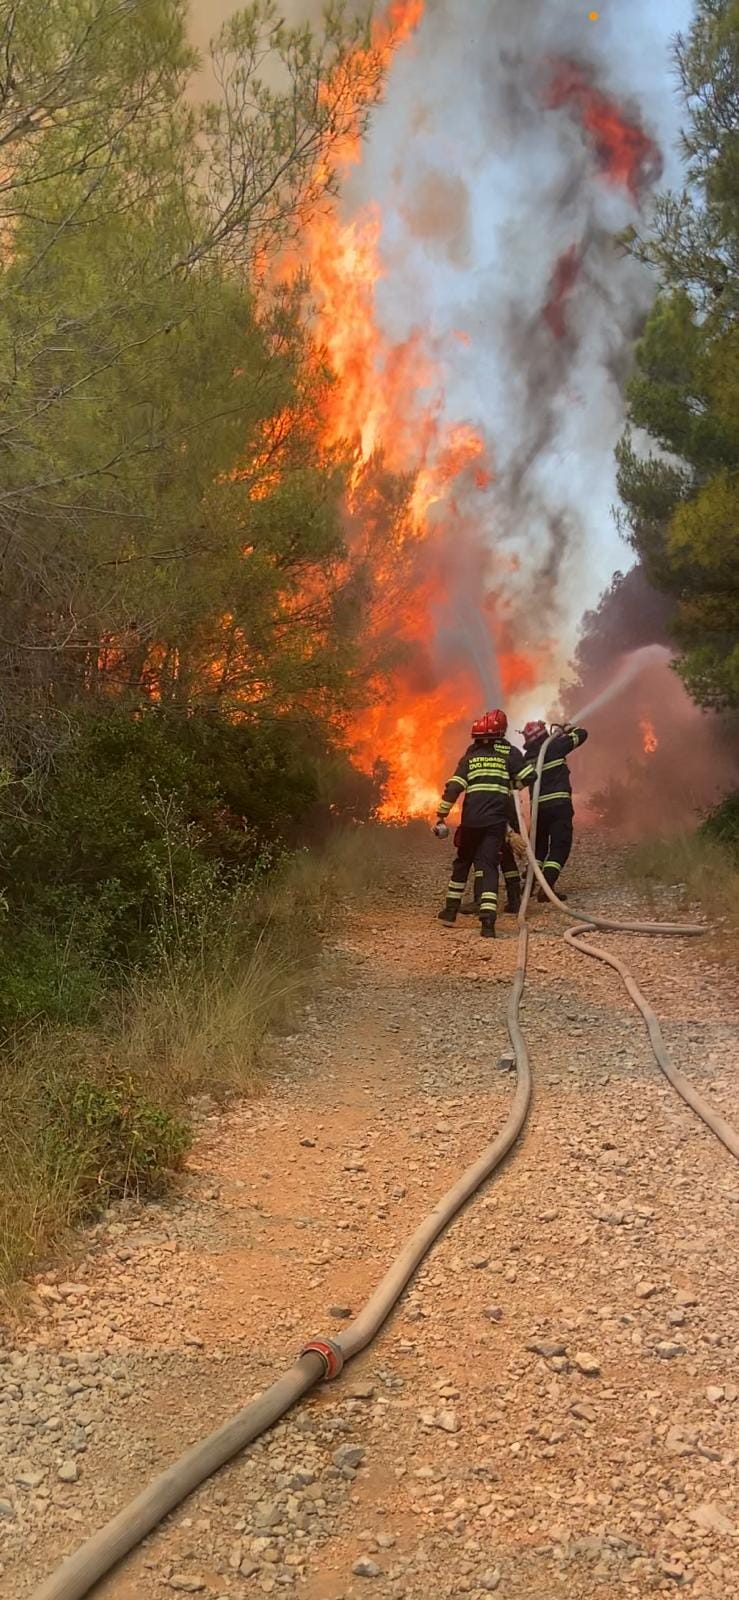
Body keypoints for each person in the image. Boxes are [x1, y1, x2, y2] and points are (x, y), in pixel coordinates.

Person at [434, 710, 536, 939]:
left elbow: (454, 786)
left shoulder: (471, 757)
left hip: (472, 821)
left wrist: (441, 814)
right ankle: (488, 923)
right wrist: (511, 784)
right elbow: (530, 776)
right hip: (496, 822)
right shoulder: (506, 754)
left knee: (463, 863)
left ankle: (450, 912)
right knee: (489, 866)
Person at [521, 718, 589, 901]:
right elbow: (582, 734)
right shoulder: (556, 746)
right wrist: (569, 729)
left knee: (539, 848)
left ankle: (528, 885)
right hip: (559, 805)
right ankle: (547, 887)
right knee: (560, 845)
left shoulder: (527, 758)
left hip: (539, 809)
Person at [459, 794, 523, 915]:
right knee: (507, 860)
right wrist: (514, 831)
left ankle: (480, 901)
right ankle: (515, 901)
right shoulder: (506, 787)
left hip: (493, 822)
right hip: (506, 816)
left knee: (482, 861)